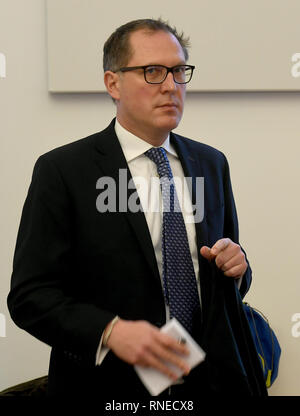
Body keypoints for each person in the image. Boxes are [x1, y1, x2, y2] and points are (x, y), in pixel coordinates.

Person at [7, 18, 267, 397]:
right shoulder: (64, 171)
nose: (170, 86)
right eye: (152, 72)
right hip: (110, 387)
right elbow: (30, 297)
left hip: (210, 382)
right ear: (113, 83)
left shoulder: (211, 164)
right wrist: (110, 331)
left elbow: (226, 284)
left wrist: (238, 268)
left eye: (178, 71)